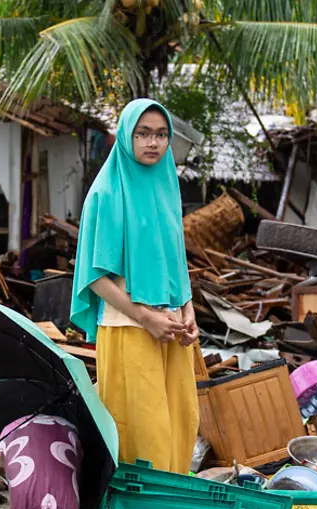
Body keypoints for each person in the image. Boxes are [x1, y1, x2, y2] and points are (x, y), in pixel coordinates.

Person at [70, 98, 199, 474]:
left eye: (161, 135)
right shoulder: (106, 193)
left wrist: (188, 313)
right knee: (144, 434)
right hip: (129, 327)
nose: (153, 143)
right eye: (143, 133)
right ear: (126, 137)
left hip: (172, 328)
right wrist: (146, 318)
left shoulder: (166, 186)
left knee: (179, 424)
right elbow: (94, 277)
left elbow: (175, 258)